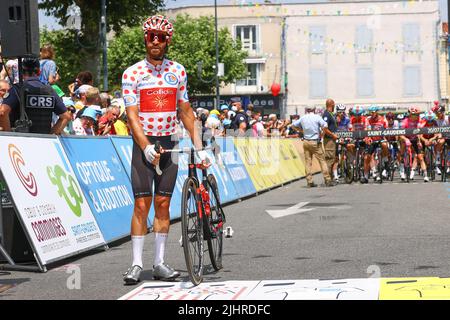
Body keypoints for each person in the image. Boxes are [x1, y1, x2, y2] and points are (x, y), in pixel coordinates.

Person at [121, 15, 210, 285]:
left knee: (163, 204)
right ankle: (136, 264)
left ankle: (158, 262)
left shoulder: (178, 71)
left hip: (170, 142)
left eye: (161, 37)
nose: (156, 41)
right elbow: (132, 116)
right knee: (141, 204)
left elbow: (184, 111)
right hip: (144, 142)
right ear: (146, 40)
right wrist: (145, 146)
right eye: (151, 37)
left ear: (167, 40)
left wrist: (200, 146)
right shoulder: (132, 73)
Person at [0, 58, 71, 135]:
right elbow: (66, 117)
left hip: (19, 143)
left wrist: (9, 134)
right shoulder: (50, 91)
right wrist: (50, 135)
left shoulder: (17, 89)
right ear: (39, 72)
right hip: (42, 143)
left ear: (21, 72)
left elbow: (3, 112)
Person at [291, 106, 335, 188]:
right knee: (322, 161)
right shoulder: (317, 117)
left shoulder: (303, 118)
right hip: (315, 141)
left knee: (308, 162)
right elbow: (325, 126)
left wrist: (301, 131)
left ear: (306, 110)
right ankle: (327, 179)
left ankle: (309, 181)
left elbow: (293, 125)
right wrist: (322, 134)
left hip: (306, 141)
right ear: (314, 110)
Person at [399, 107, 427, 181]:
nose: (417, 116)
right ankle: (401, 168)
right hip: (406, 138)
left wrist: (419, 141)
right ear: (410, 115)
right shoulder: (405, 121)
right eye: (415, 115)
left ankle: (425, 175)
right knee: (402, 147)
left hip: (415, 139)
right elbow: (400, 134)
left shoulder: (419, 121)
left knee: (420, 157)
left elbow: (420, 132)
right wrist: (406, 139)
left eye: (418, 115)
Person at [365, 105, 389, 181]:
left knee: (385, 145)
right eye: (371, 112)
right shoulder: (368, 119)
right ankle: (366, 176)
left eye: (374, 112)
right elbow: (367, 129)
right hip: (373, 140)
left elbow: (387, 130)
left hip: (381, 139)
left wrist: (386, 137)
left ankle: (385, 161)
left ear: (377, 112)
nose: (372, 114)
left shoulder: (383, 119)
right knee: (368, 157)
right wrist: (368, 138)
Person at [322, 99, 339, 182]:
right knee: (329, 159)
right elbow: (324, 128)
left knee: (332, 159)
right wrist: (333, 135)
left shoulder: (330, 114)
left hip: (332, 139)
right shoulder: (326, 115)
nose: (334, 105)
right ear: (331, 104)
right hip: (329, 140)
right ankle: (327, 179)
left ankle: (330, 178)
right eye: (334, 104)